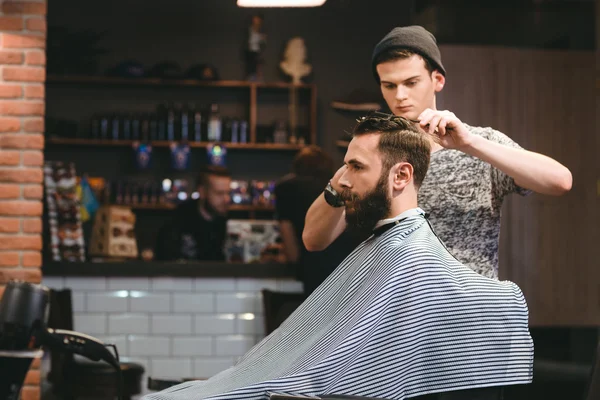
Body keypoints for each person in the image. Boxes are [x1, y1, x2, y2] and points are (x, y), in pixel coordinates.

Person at [143, 115, 533, 400]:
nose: (340, 180)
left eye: (355, 167)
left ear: (400, 176)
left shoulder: (410, 257)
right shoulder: (383, 244)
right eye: (344, 165)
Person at [303, 25, 572, 279]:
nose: (400, 96)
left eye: (411, 82)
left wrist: (470, 144)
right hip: (401, 311)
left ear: (437, 80)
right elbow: (314, 240)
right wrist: (349, 174)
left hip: (467, 311)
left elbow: (559, 181)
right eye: (389, 85)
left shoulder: (479, 143)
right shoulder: (373, 153)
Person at [275, 145, 364, 296]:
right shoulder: (343, 185)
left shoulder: (286, 188)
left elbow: (291, 248)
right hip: (351, 266)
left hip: (314, 267)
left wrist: (288, 258)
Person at [155, 166, 231, 261]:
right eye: (219, 193)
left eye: (228, 193)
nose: (226, 199)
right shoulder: (178, 219)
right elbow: (164, 261)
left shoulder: (231, 222)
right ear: (202, 192)